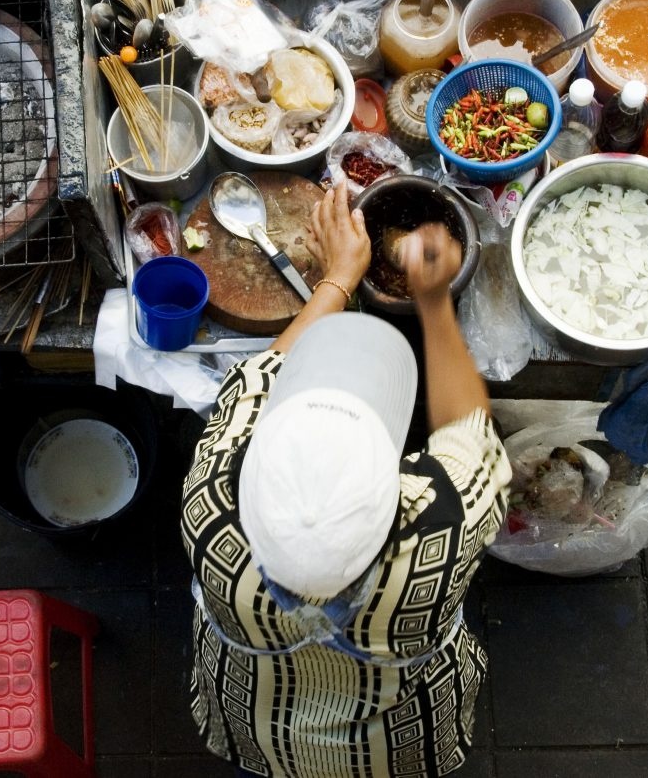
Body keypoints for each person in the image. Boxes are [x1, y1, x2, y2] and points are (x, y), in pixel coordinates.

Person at [180, 181, 512, 778]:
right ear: (401, 489)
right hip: (400, 738)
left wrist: (339, 276)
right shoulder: (443, 536)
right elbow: (470, 434)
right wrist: (433, 301)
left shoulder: (209, 508)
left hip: (262, 720)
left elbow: (258, 377)